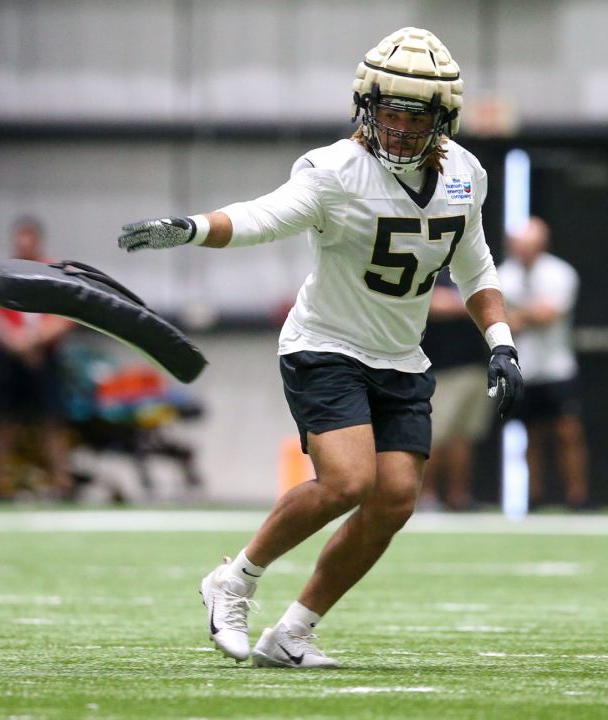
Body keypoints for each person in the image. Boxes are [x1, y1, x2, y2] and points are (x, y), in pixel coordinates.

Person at [117, 27, 524, 669]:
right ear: (366, 107)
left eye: (414, 118)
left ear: (442, 120)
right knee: (347, 480)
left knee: (392, 499)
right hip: (325, 345)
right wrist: (191, 228)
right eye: (388, 114)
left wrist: (500, 341)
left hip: (399, 355)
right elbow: (264, 216)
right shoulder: (334, 170)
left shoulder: (464, 174)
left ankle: (293, 632)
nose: (398, 131)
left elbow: (475, 267)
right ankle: (235, 579)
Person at [0, 216, 76, 500]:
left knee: (53, 419)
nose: (24, 243)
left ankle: (63, 483)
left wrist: (34, 341)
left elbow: (67, 315)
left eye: (29, 236)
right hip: (8, 356)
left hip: (45, 356)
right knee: (0, 419)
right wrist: (16, 343)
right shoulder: (0, 272)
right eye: (20, 237)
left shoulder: (56, 271)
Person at [498, 217, 589, 508]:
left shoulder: (559, 273)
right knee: (530, 434)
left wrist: (518, 312)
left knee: (567, 431)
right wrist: (526, 314)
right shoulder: (503, 275)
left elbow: (550, 314)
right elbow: (501, 321)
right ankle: (532, 496)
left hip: (556, 367)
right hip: (523, 368)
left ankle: (577, 496)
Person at [419, 273, 492, 511]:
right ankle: (427, 497)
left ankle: (458, 496)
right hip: (442, 370)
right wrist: (470, 303)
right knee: (435, 436)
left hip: (474, 365)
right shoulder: (430, 268)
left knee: (464, 437)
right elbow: (429, 301)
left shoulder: (472, 267)